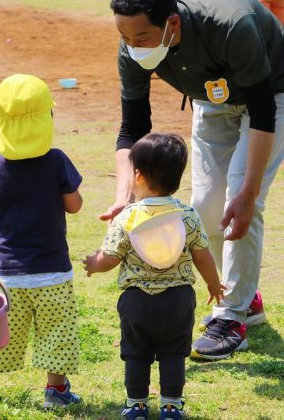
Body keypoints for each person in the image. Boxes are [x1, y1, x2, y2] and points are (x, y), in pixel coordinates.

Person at [102, 0, 284, 361]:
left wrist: (249, 194)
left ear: (172, 24)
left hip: (275, 90)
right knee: (206, 205)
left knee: (239, 197)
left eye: (143, 37)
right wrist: (124, 198)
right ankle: (244, 297)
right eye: (125, 37)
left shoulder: (230, 26)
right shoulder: (132, 43)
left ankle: (231, 318)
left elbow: (262, 111)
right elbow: (133, 128)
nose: (134, 46)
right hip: (213, 97)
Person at [84, 133, 225, 420]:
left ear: (138, 174)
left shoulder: (127, 218)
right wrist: (213, 283)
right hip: (178, 299)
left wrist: (92, 263)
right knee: (174, 353)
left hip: (137, 301)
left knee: (136, 354)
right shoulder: (188, 215)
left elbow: (110, 258)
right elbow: (202, 256)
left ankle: (136, 404)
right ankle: (171, 405)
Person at [0, 74, 84, 408]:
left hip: (6, 272)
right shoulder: (56, 160)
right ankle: (56, 391)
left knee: (2, 333)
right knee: (56, 333)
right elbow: (74, 206)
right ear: (46, 118)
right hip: (52, 272)